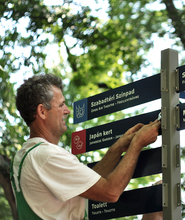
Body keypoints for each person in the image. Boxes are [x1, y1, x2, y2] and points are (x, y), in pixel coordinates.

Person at [11, 73, 161, 220]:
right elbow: (111, 192)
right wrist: (138, 143)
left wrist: (118, 148)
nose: (67, 111)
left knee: (156, 206)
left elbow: (89, 183)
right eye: (61, 105)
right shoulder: (46, 155)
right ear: (42, 111)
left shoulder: (24, 156)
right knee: (157, 208)